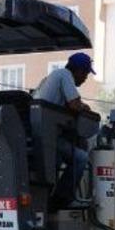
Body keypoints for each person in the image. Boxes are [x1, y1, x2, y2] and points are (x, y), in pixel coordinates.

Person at [35, 52, 95, 208]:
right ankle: (63, 199)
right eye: (86, 74)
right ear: (79, 70)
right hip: (48, 135)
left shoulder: (50, 77)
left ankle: (48, 198)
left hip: (41, 133)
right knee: (81, 157)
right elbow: (75, 105)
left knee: (59, 160)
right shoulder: (65, 74)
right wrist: (85, 107)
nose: (85, 78)